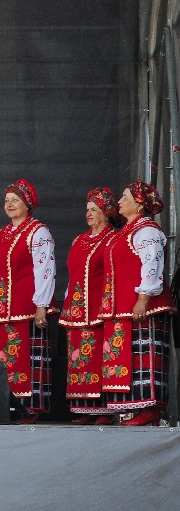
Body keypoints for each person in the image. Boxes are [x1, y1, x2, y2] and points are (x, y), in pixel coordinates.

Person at [99, 181, 174, 426]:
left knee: (145, 356)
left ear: (140, 204)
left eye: (125, 197)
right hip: (123, 306)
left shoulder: (147, 231)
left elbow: (152, 265)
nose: (119, 201)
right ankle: (135, 409)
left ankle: (150, 409)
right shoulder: (127, 231)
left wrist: (143, 299)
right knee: (129, 358)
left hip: (144, 306)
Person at [0, 179, 56, 422]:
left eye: (15, 200)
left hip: (26, 308)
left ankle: (29, 408)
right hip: (1, 308)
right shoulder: (2, 233)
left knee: (25, 358)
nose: (10, 204)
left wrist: (41, 305)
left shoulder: (38, 232)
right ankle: (4, 405)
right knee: (2, 359)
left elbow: (45, 270)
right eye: (7, 200)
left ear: (27, 203)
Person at [60, 188, 120, 423]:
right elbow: (73, 275)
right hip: (76, 309)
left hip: (98, 307)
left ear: (106, 212)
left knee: (97, 357)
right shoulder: (79, 240)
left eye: (94, 209)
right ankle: (83, 408)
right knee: (78, 359)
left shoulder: (113, 239)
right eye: (87, 209)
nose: (89, 213)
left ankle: (104, 410)